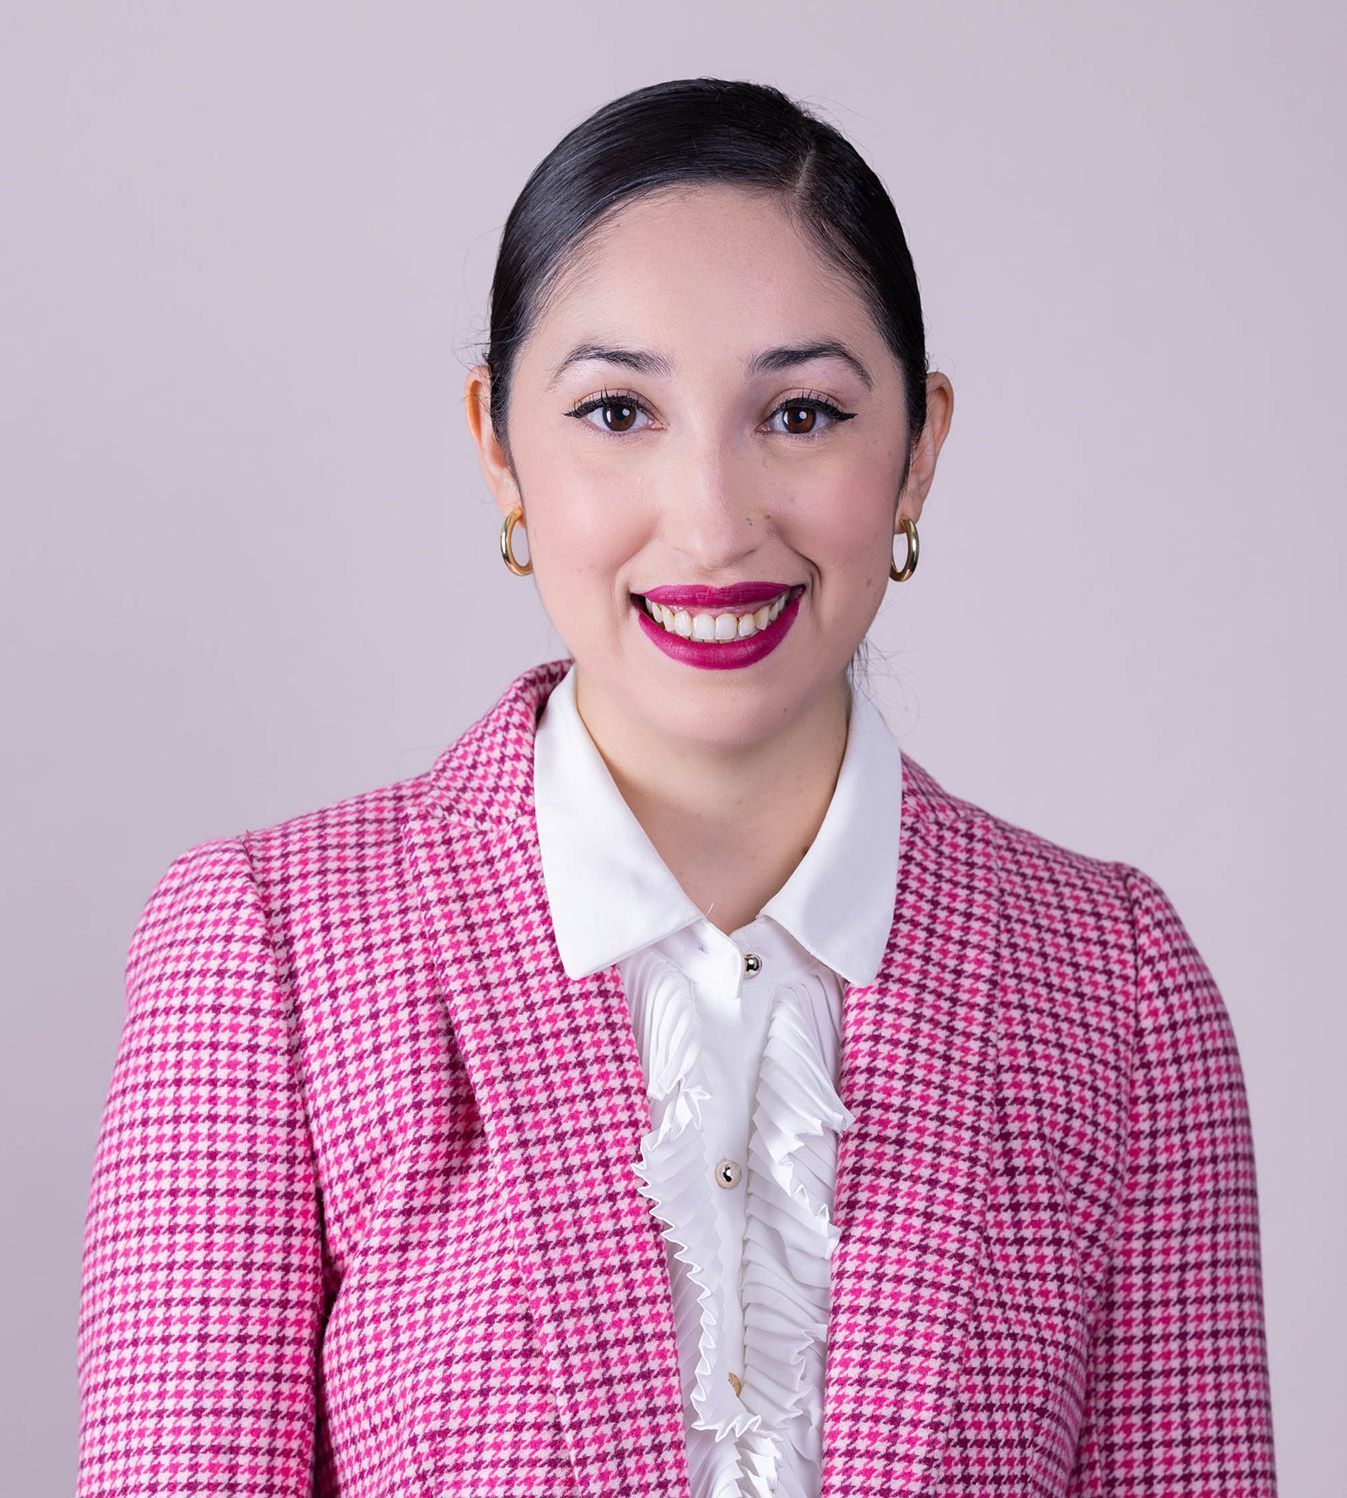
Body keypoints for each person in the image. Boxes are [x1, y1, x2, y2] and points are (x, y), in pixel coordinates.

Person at [75, 77, 1277, 1498]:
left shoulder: (1119, 989)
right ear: (498, 445)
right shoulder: (272, 949)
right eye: (618, 408)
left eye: (805, 412)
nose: (712, 521)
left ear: (920, 451)